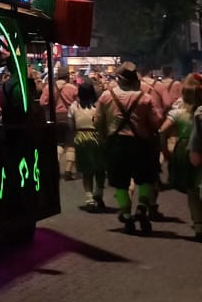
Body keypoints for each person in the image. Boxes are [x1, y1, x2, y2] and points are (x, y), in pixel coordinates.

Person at [95, 61, 162, 235]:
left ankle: (127, 215)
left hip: (116, 144)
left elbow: (98, 122)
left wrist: (104, 138)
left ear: (118, 79)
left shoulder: (106, 96)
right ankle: (141, 207)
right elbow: (156, 123)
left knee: (120, 183)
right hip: (141, 144)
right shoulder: (145, 98)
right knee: (145, 179)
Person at [160, 77, 202, 238]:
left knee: (192, 190)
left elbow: (162, 131)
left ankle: (198, 225)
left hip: (186, 150)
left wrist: (165, 152)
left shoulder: (178, 113)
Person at [69, 80, 105, 211]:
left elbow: (71, 125)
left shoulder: (74, 106)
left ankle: (89, 198)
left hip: (81, 138)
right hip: (97, 137)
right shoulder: (99, 105)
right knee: (100, 168)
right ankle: (99, 193)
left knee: (86, 170)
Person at [41, 66, 79, 179]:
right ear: (67, 76)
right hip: (69, 118)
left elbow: (43, 102)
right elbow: (79, 103)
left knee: (58, 143)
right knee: (70, 144)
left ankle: (55, 169)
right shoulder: (73, 88)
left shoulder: (49, 87)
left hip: (55, 118)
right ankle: (68, 171)